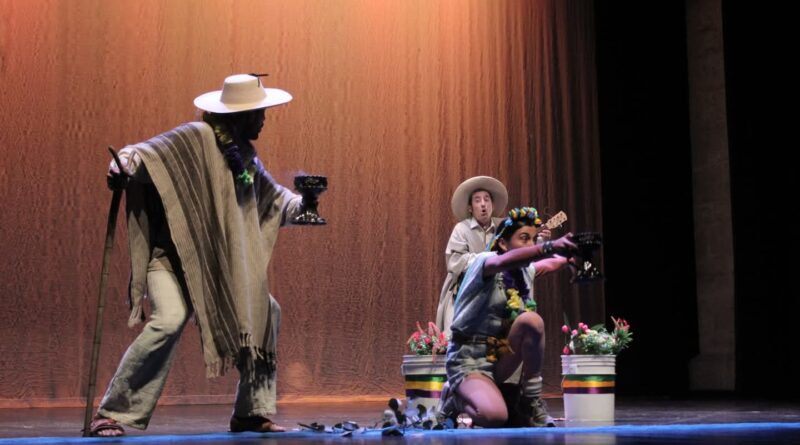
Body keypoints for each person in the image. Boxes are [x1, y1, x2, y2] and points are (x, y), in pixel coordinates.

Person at [89, 74, 311, 436]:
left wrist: (307, 202)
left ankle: (251, 412)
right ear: (240, 115)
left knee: (266, 310)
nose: (264, 119)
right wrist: (122, 166)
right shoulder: (194, 138)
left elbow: (276, 200)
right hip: (172, 262)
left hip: (216, 270)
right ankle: (112, 411)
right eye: (259, 113)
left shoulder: (245, 158)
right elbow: (144, 154)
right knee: (169, 319)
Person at [439, 207, 577, 428]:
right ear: (503, 244)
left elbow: (548, 264)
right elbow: (503, 262)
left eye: (533, 239)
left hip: (497, 358)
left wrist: (570, 256)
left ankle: (531, 400)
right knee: (495, 417)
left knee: (531, 320)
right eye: (524, 238)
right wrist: (548, 246)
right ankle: (454, 398)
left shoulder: (523, 271)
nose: (531, 245)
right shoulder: (485, 261)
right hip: (467, 360)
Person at [435, 177, 551, 337]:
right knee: (456, 336)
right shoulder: (461, 229)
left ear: (492, 205)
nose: (483, 204)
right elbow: (456, 261)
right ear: (470, 208)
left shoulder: (504, 226)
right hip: (466, 290)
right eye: (477, 200)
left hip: (498, 290)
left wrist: (539, 240)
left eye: (487, 199)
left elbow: (521, 249)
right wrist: (487, 259)